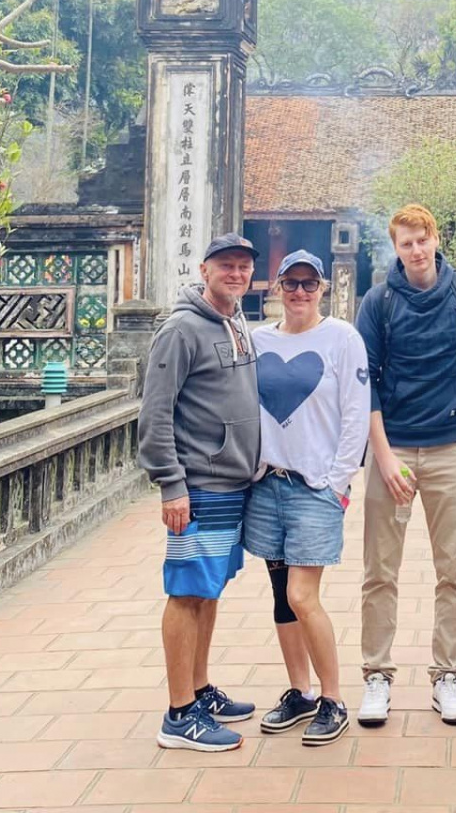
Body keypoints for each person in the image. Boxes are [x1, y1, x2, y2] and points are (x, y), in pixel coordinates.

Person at [355, 204, 456, 727]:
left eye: (422, 240)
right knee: (379, 571)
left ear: (436, 239)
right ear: (396, 248)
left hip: (451, 445)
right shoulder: (379, 300)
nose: (415, 250)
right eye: (405, 243)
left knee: (453, 569)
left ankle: (447, 674)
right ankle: (376, 675)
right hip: (394, 447)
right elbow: (364, 379)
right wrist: (383, 456)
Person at [137, 233, 263, 752]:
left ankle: (199, 687)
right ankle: (178, 713)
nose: (236, 274)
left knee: (208, 589)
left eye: (243, 267)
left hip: (232, 482)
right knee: (187, 591)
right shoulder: (181, 329)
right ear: (204, 269)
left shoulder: (236, 321)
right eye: (226, 266)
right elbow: (155, 412)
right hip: (199, 485)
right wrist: (171, 483)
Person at [244, 250, 370, 746]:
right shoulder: (257, 341)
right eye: (291, 283)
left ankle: (333, 697)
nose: (299, 292)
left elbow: (355, 415)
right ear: (277, 286)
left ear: (323, 288)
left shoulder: (343, 339)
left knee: (303, 595)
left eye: (308, 284)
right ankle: (299, 691)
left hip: (313, 486)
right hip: (266, 483)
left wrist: (337, 482)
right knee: (281, 598)